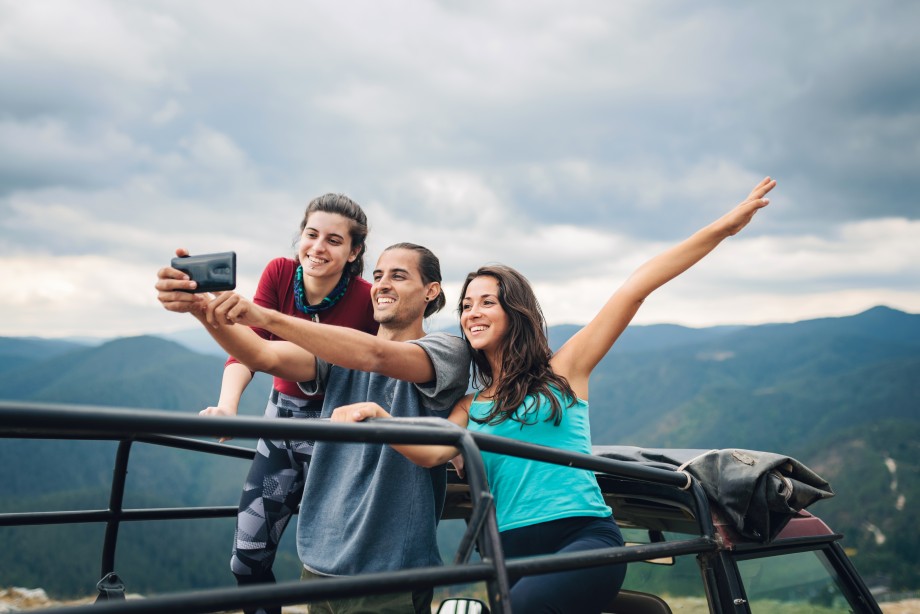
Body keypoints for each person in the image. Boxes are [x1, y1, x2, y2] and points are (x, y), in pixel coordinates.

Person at [333, 177, 777, 613]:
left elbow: (635, 288)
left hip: (581, 537)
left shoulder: (563, 372)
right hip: (509, 553)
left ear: (514, 309)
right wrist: (378, 417)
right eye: (466, 305)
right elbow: (430, 455)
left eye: (487, 301)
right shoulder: (471, 404)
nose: (473, 313)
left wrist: (724, 227)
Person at [156, 242, 471, 614]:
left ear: (431, 291)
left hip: (390, 573)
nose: (382, 285)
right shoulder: (340, 355)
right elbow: (263, 355)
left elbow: (379, 356)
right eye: (378, 276)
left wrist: (266, 316)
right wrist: (202, 308)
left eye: (398, 276)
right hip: (319, 565)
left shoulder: (447, 350)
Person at [178, 193, 377, 614]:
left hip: (339, 435)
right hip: (282, 426)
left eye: (334, 240)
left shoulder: (367, 298)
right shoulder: (280, 273)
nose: (318, 247)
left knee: (332, 563)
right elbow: (250, 350)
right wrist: (227, 405)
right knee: (247, 556)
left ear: (354, 251)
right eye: (311, 234)